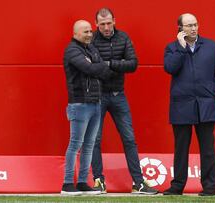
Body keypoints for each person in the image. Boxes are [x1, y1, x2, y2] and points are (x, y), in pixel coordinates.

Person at [91, 8, 158, 195]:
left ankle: (138, 183)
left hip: (118, 95)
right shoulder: (92, 40)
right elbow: (92, 68)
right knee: (94, 140)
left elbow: (133, 64)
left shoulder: (123, 37)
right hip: (97, 96)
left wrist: (109, 64)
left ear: (114, 20)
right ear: (96, 24)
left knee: (129, 139)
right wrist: (115, 65)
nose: (106, 27)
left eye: (109, 23)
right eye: (102, 24)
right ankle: (99, 181)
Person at [163, 13, 215, 196]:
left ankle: (210, 187)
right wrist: (182, 49)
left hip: (206, 104)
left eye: (195, 24)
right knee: (181, 148)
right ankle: (177, 186)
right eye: (189, 25)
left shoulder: (211, 46)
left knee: (207, 148)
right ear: (180, 29)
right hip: (181, 105)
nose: (193, 28)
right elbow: (170, 68)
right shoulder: (172, 48)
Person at [61, 20, 116, 196]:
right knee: (75, 144)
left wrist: (96, 65)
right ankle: (67, 184)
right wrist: (96, 65)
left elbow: (101, 69)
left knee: (89, 145)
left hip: (95, 103)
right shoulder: (72, 50)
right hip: (79, 103)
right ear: (75, 33)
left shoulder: (91, 48)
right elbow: (90, 68)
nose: (89, 34)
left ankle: (83, 182)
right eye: (85, 32)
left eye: (90, 31)